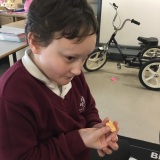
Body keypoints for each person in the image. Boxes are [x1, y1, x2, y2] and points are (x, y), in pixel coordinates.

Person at [0, 0, 131, 159]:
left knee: (123, 150)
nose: (78, 71)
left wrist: (94, 128)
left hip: (79, 153)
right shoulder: (12, 96)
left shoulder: (70, 73)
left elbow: (88, 108)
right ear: (35, 42)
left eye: (84, 58)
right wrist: (79, 140)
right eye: (70, 57)